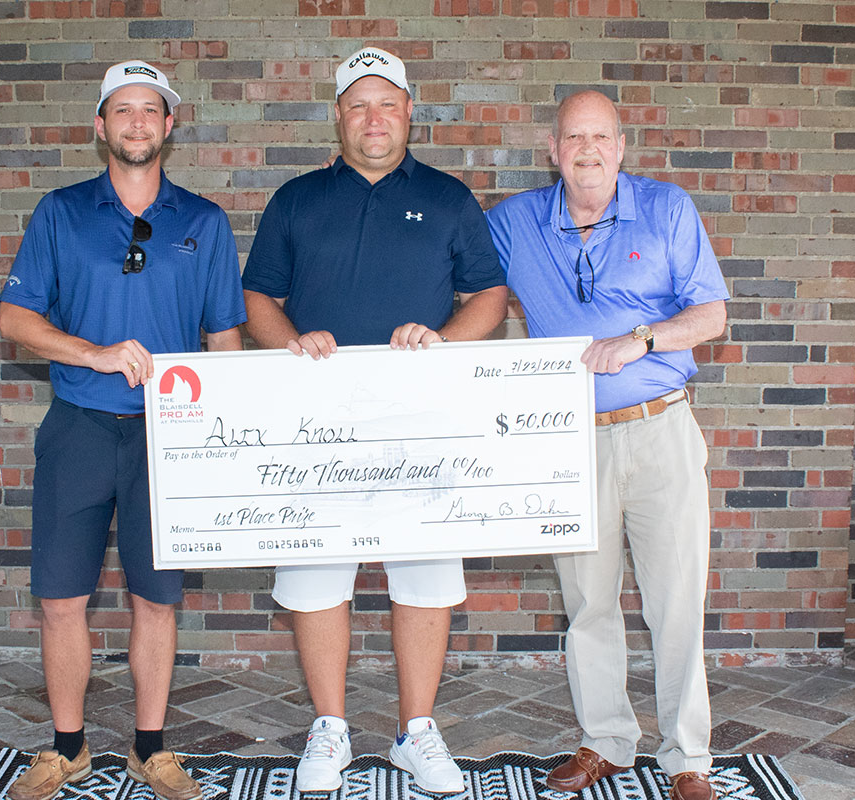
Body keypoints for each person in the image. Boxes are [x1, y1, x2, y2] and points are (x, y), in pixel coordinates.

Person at [241, 47, 508, 795]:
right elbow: (258, 295)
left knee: (423, 574)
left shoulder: (449, 198)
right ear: (338, 116)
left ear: (409, 111)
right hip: (317, 423)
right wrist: (290, 342)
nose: (374, 118)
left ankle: (415, 732)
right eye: (358, 104)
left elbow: (489, 294)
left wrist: (442, 341)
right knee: (316, 572)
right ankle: (330, 728)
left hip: (420, 421)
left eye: (387, 103)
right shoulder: (296, 199)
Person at [0, 60, 246, 800]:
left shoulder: (203, 221)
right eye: (123, 109)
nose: (137, 122)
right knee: (61, 599)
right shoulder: (60, 212)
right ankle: (67, 748)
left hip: (165, 439)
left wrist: (226, 433)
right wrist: (95, 353)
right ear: (100, 125)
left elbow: (225, 339)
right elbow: (16, 320)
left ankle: (150, 750)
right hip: (78, 426)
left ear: (170, 124)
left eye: (151, 109)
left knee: (156, 599)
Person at [485, 91, 728, 800]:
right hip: (572, 441)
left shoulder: (667, 208)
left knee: (675, 602)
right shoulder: (514, 222)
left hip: (660, 429)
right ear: (552, 150)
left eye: (600, 137)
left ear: (621, 147)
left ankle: (687, 757)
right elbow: (466, 285)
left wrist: (641, 339)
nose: (587, 150)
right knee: (588, 601)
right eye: (573, 138)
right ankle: (607, 741)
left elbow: (711, 315)